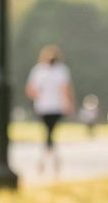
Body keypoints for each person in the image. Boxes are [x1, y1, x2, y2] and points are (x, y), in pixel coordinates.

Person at [25, 45, 74, 177]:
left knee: (49, 134)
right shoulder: (58, 71)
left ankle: (43, 160)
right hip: (51, 107)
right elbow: (65, 89)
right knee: (50, 134)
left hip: (46, 107)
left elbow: (31, 90)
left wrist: (41, 94)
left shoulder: (40, 71)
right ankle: (53, 160)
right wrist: (69, 103)